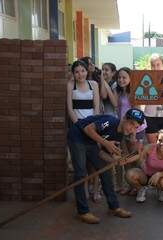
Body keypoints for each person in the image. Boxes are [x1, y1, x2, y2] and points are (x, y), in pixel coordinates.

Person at [67, 108, 145, 224]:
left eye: (135, 127)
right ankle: (83, 212)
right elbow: (88, 129)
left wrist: (117, 161)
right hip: (77, 135)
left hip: (91, 142)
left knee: (105, 172)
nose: (132, 129)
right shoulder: (111, 121)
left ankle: (114, 207)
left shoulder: (119, 135)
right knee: (81, 174)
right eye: (131, 124)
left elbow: (101, 154)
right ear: (124, 118)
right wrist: (106, 143)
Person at [66, 60, 102, 203]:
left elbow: (96, 107)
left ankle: (96, 189)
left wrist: (93, 125)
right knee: (80, 163)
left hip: (93, 127)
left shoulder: (93, 85)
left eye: (83, 71)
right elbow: (70, 108)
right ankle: (85, 190)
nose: (80, 74)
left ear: (87, 71)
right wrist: (80, 125)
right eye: (76, 71)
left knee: (94, 162)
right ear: (73, 73)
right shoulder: (70, 85)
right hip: (78, 127)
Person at [113, 67, 147, 194]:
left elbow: (138, 114)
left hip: (136, 129)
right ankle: (131, 185)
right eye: (119, 77)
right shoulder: (121, 92)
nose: (121, 80)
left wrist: (133, 133)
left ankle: (139, 185)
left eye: (124, 77)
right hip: (125, 129)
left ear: (130, 79)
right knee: (126, 157)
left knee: (135, 157)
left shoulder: (134, 92)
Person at [125, 130, 163, 203]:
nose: (162, 143)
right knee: (129, 174)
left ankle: (161, 190)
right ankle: (141, 189)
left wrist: (159, 174)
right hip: (145, 175)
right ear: (156, 140)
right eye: (160, 140)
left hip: (160, 177)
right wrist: (125, 160)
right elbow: (138, 155)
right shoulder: (150, 147)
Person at [144, 53, 163, 143]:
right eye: (153, 65)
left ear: (162, 65)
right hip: (150, 115)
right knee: (153, 145)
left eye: (158, 65)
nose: (156, 67)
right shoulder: (145, 78)